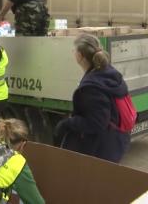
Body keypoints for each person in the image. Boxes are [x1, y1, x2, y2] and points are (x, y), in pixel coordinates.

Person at [54, 33, 131, 163]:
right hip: (116, 141)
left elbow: (96, 124)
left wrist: (67, 123)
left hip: (102, 150)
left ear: (80, 55)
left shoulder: (92, 87)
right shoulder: (108, 72)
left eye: (75, 51)